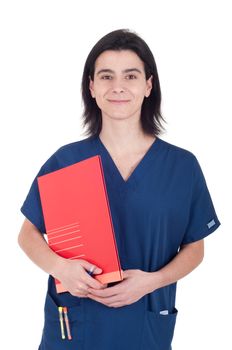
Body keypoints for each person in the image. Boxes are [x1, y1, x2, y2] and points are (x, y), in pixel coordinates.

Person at [18, 28, 221, 350]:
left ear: (148, 85)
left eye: (130, 76)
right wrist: (60, 267)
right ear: (92, 87)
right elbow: (27, 234)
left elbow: (195, 248)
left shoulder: (181, 166)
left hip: (144, 320)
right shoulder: (66, 160)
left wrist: (151, 282)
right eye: (106, 76)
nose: (118, 87)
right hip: (76, 322)